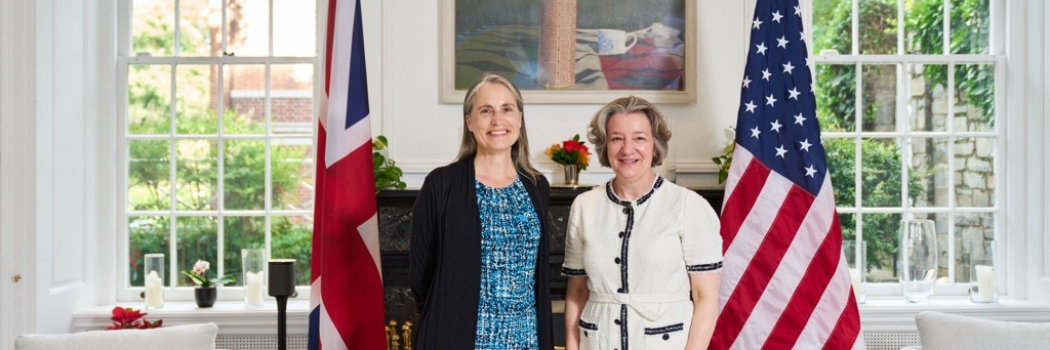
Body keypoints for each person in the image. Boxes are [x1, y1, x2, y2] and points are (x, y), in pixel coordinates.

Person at [562, 96, 722, 350]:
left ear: (655, 146)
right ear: (605, 146)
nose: (627, 149)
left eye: (639, 138)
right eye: (616, 138)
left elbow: (706, 297)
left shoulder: (688, 206)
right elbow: (577, 293)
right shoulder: (584, 206)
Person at [410, 73, 553, 350]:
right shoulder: (441, 184)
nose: (497, 120)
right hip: (459, 338)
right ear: (470, 122)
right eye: (485, 111)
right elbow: (420, 274)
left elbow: (538, 276)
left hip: (525, 339)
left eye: (507, 109)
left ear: (520, 119)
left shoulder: (537, 186)